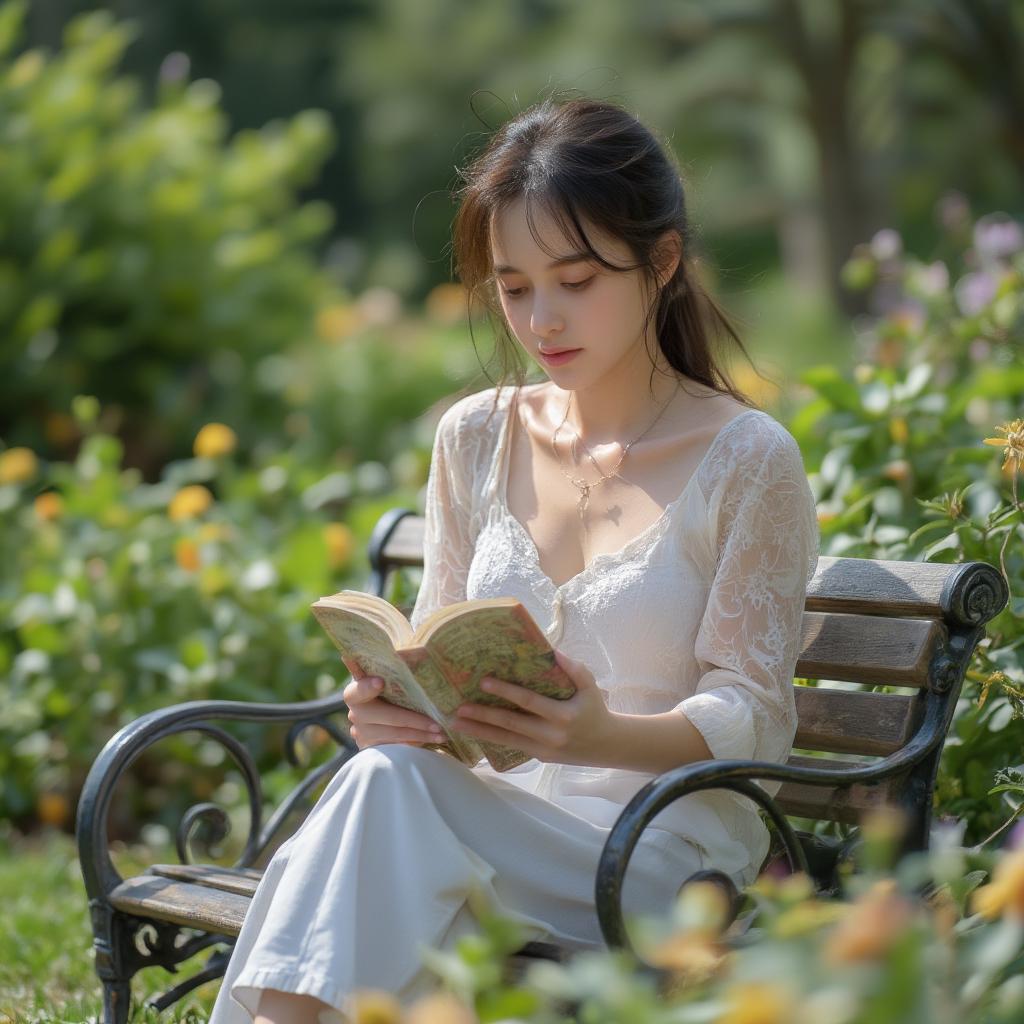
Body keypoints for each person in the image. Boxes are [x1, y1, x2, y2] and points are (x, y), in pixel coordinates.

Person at [208, 95, 819, 1024]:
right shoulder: (476, 437)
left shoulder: (748, 457)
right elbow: (439, 643)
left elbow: (755, 714)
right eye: (514, 284)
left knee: (387, 815)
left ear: (661, 263)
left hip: (654, 855)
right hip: (474, 826)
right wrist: (397, 710)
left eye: (576, 280)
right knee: (390, 784)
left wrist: (605, 736)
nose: (542, 319)